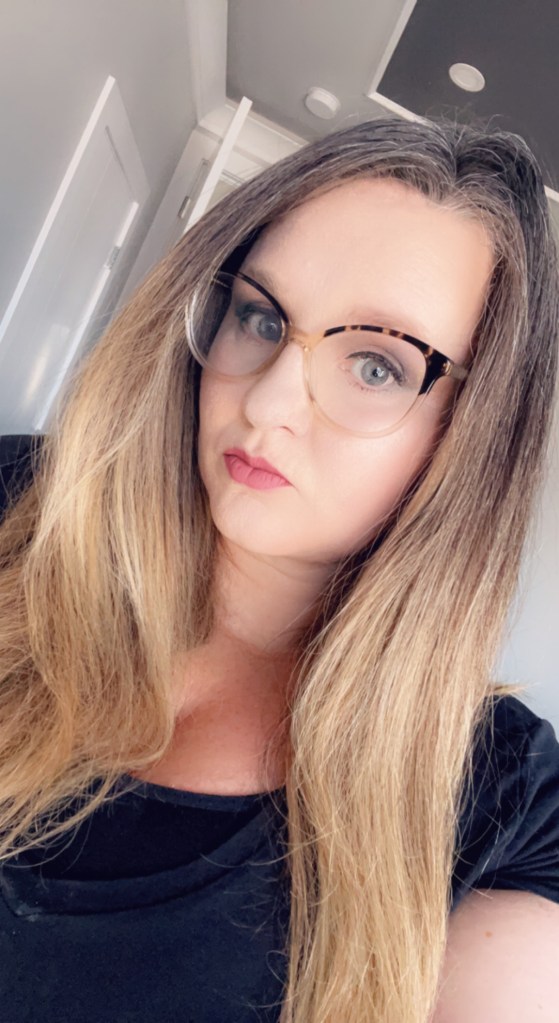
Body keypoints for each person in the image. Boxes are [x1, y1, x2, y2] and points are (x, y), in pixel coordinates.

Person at [0, 115, 558, 1023]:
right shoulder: (22, 506)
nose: (264, 402)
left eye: (375, 366)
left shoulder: (504, 804)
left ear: (473, 437)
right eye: (260, 317)